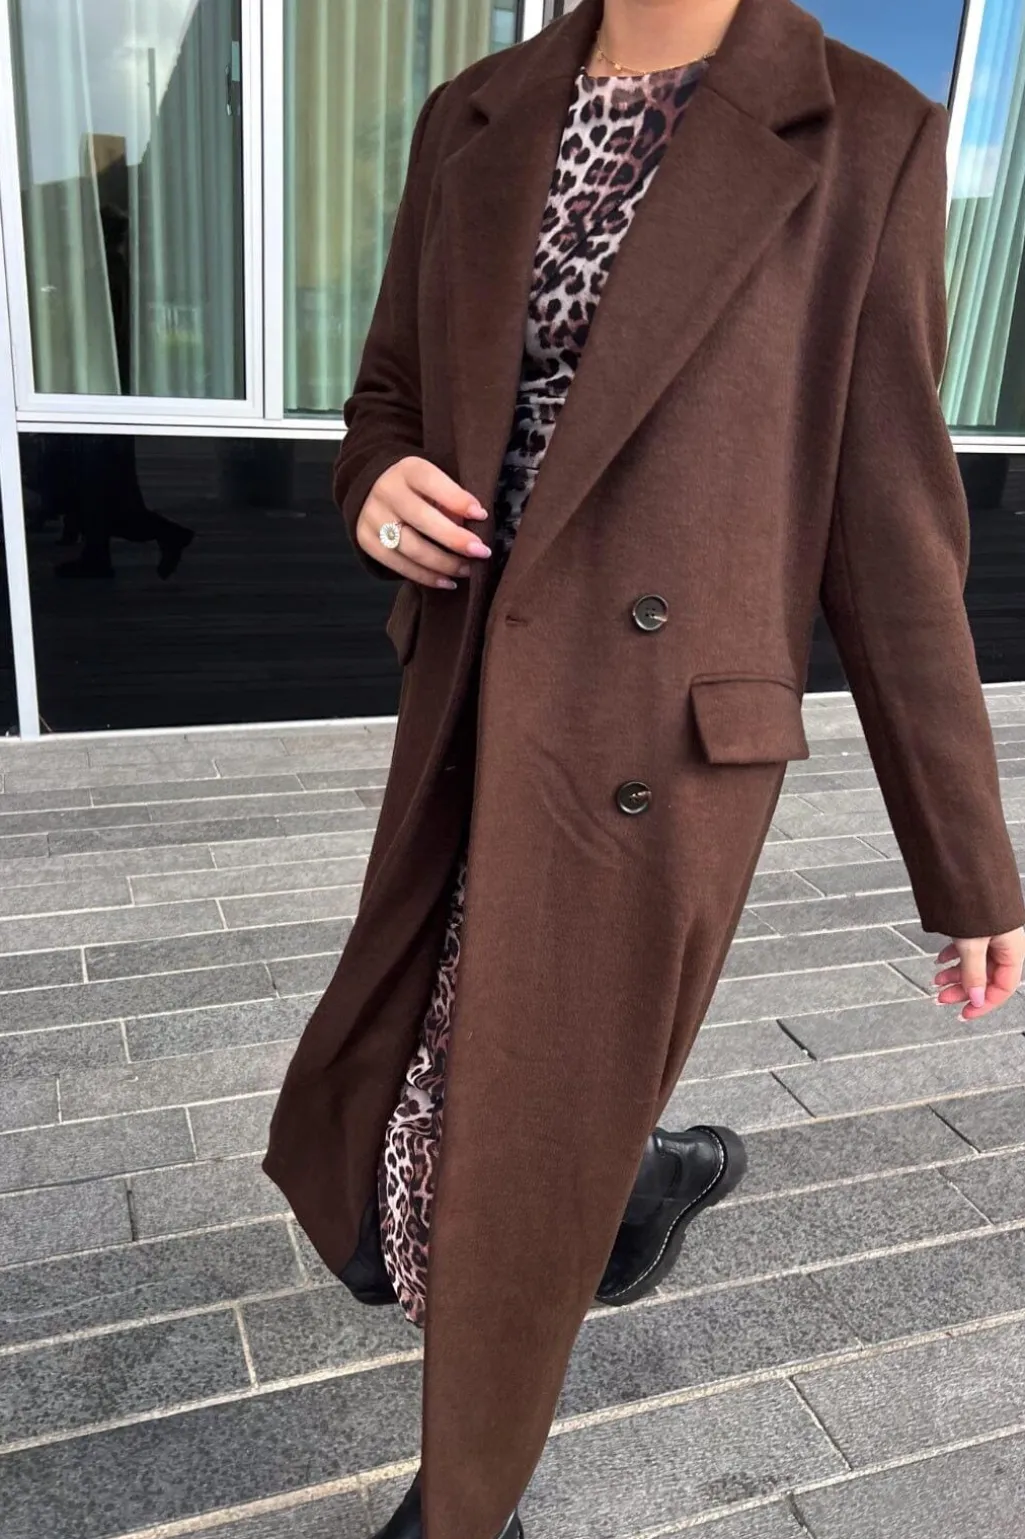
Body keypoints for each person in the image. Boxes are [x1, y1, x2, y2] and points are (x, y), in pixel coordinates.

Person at [263, 2, 1025, 1536]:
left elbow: (891, 530)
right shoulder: (476, 112)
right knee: (358, 1139)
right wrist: (373, 482)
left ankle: (464, 1504)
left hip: (655, 742)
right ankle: (630, 1184)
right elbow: (389, 392)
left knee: (497, 1147)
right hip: (474, 697)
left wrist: (969, 864)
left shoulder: (866, 133)